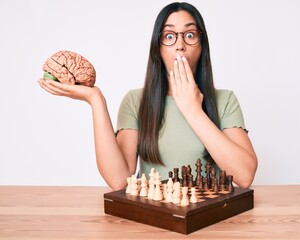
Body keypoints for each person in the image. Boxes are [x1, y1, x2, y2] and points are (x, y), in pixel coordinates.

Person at [38, 2, 258, 191]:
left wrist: (193, 111)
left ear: (202, 46)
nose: (180, 45)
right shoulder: (135, 101)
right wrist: (96, 100)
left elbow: (245, 176)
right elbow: (118, 180)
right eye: (169, 36)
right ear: (157, 48)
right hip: (156, 219)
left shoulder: (225, 100)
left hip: (210, 219)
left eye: (190, 35)